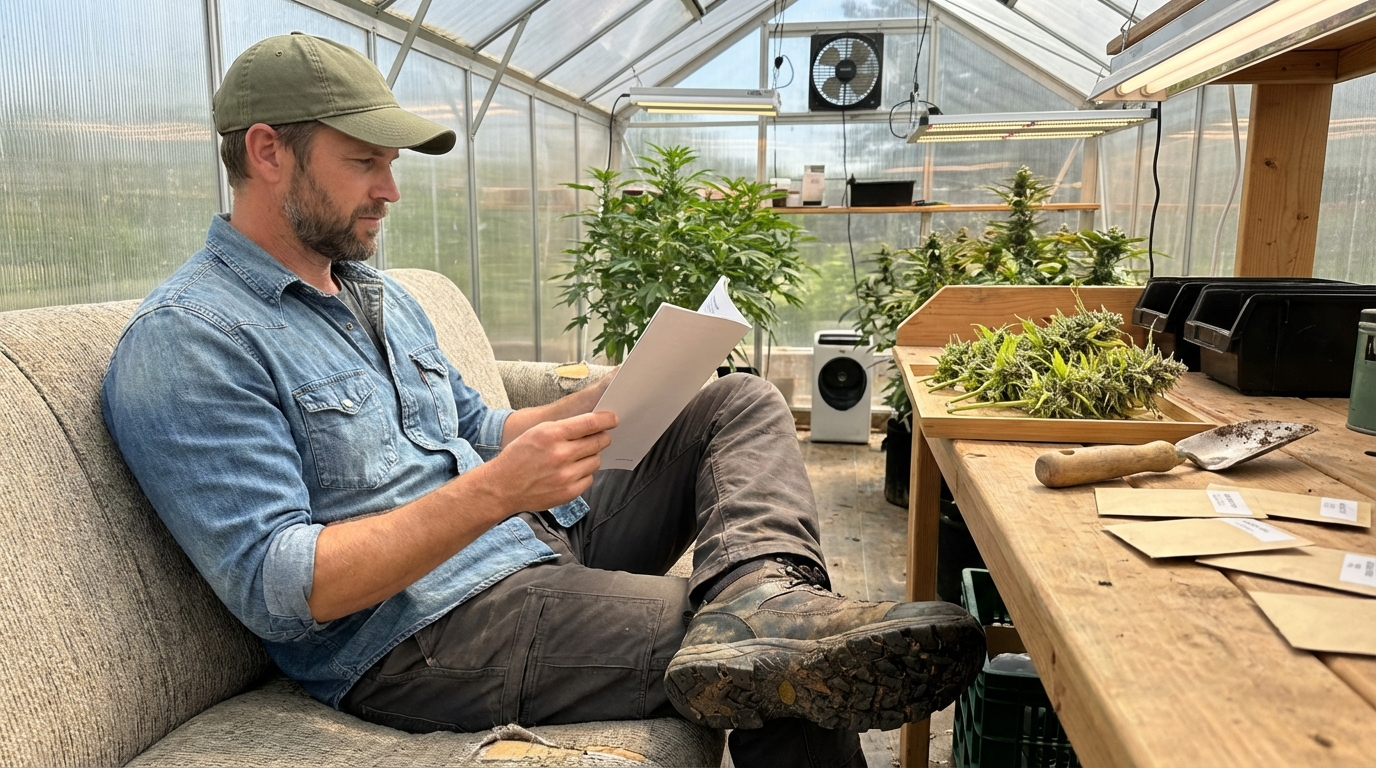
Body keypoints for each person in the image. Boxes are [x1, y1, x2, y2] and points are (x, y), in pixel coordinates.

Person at [101, 33, 985, 767]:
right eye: (364, 162)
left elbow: (480, 428)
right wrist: (494, 491)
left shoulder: (377, 294)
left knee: (738, 401)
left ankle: (764, 589)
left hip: (526, 537)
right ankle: (765, 619)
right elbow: (279, 586)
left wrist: (615, 392)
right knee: (779, 663)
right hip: (421, 632)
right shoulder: (193, 341)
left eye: (391, 164)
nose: (390, 190)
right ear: (266, 152)